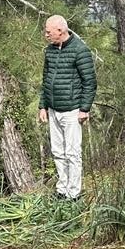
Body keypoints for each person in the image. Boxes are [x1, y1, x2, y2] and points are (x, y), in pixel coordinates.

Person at [38, 15, 97, 200]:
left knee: (72, 153)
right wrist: (43, 106)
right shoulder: (49, 51)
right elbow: (46, 80)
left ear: (60, 31)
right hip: (54, 110)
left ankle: (74, 193)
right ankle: (62, 190)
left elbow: (90, 82)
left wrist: (84, 109)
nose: (46, 34)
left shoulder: (80, 50)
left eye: (49, 32)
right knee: (57, 152)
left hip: (72, 110)